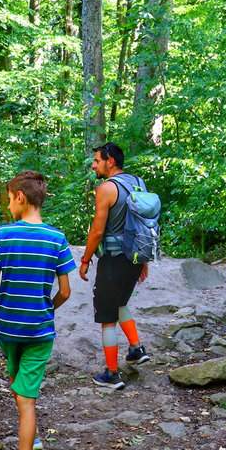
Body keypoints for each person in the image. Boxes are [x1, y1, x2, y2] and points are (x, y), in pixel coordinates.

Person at [0, 170, 75, 450]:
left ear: (20, 197)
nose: (8, 206)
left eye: (9, 199)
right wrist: (47, 307)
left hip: (6, 328)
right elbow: (65, 291)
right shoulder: (57, 239)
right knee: (26, 394)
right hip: (39, 330)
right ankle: (30, 438)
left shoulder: (3, 236)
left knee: (22, 396)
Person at [78, 142, 151, 390]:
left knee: (107, 317)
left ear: (110, 161)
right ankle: (136, 348)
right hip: (134, 257)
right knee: (120, 303)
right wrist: (143, 260)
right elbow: (144, 224)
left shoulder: (107, 188)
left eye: (97, 160)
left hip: (113, 259)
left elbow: (98, 230)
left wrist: (86, 259)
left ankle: (111, 373)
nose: (93, 165)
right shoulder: (139, 183)